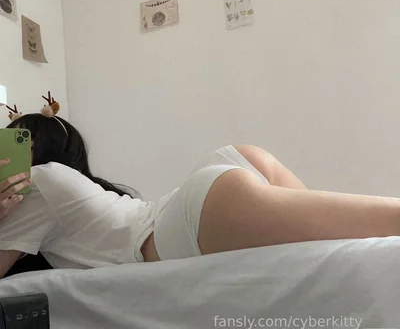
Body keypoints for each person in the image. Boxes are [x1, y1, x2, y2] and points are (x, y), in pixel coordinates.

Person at [2, 97, 400, 277]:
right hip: (219, 178)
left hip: (189, 219)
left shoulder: (34, 184)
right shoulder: (70, 186)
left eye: (13, 143)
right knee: (345, 260)